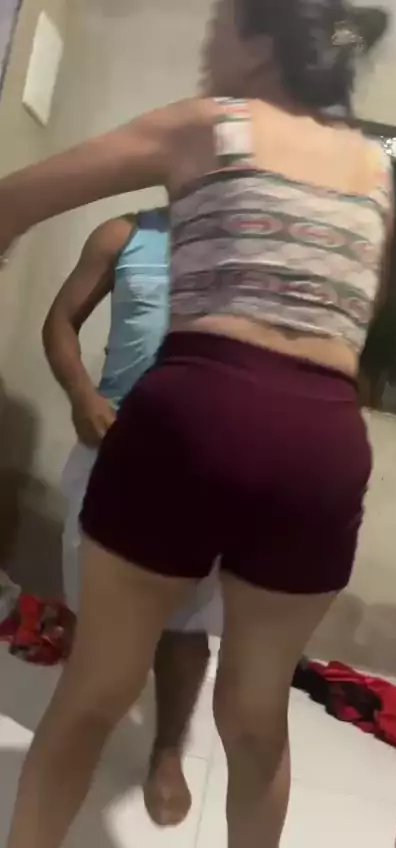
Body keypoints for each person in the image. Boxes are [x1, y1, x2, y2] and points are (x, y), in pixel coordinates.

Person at [1, 1, 393, 845]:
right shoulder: (375, 167)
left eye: (218, 29)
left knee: (93, 694)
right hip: (324, 445)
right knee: (257, 719)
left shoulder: (213, 124)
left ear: (260, 40)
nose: (207, 50)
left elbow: (14, 200)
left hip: (198, 415)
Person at [42, 207, 222, 826]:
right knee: (92, 605)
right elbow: (60, 321)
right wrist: (81, 395)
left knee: (188, 617)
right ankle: (83, 727)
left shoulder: (252, 251)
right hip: (111, 443)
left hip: (204, 459)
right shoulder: (124, 235)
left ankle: (167, 750)